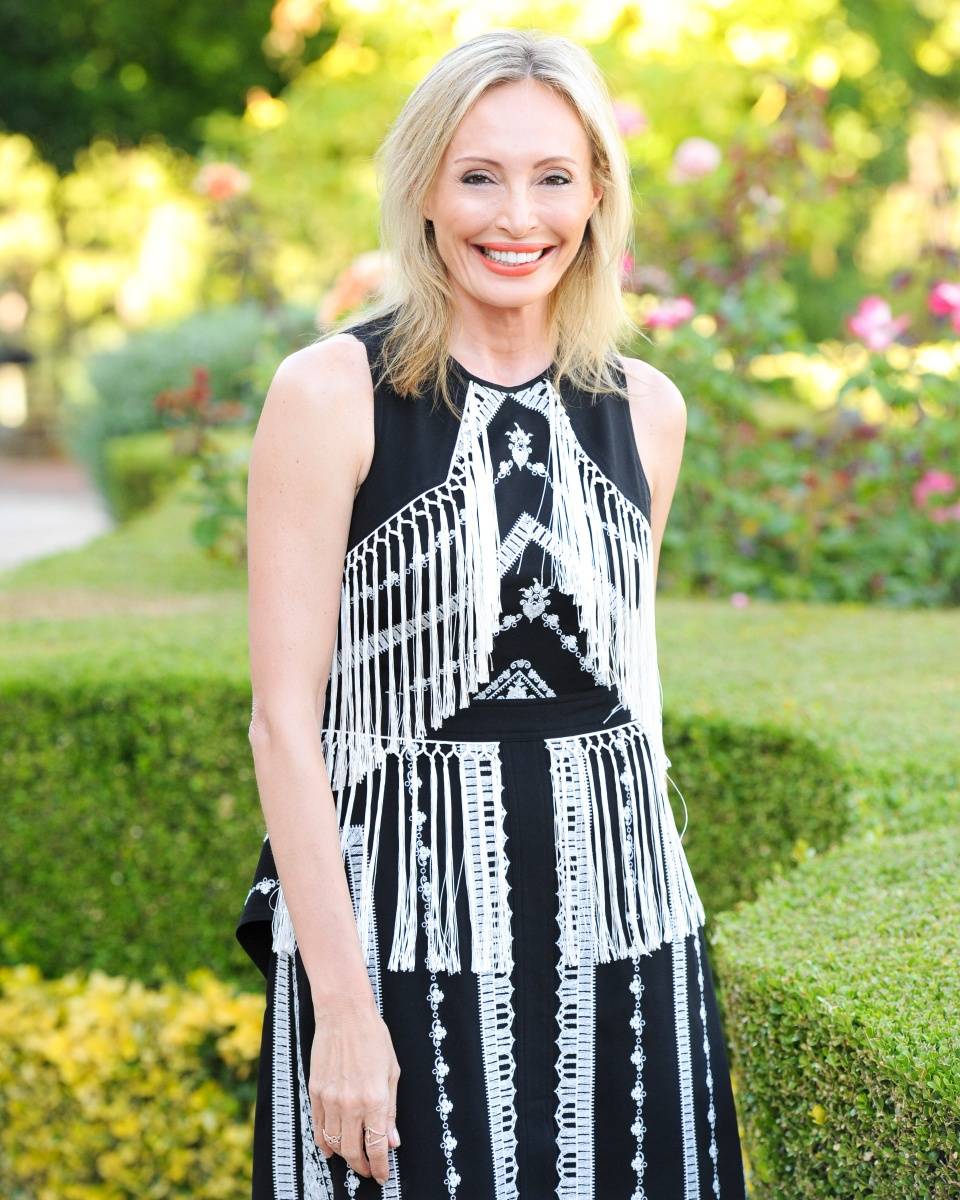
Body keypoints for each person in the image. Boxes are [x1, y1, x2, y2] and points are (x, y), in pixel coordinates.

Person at [236, 27, 748, 1200]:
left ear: (597, 193)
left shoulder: (649, 409)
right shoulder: (330, 394)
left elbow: (632, 697)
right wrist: (343, 1011)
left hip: (626, 940)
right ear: (424, 188)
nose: (517, 216)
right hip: (397, 944)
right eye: (479, 175)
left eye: (552, 176)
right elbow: (283, 725)